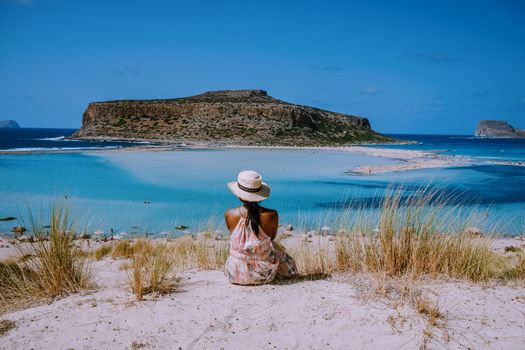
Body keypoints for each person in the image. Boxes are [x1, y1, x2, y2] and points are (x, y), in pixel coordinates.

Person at [224, 170, 298, 285]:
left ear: (239, 195)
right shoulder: (271, 215)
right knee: (275, 247)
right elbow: (272, 238)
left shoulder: (229, 214)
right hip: (264, 275)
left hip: (235, 274)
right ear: (259, 195)